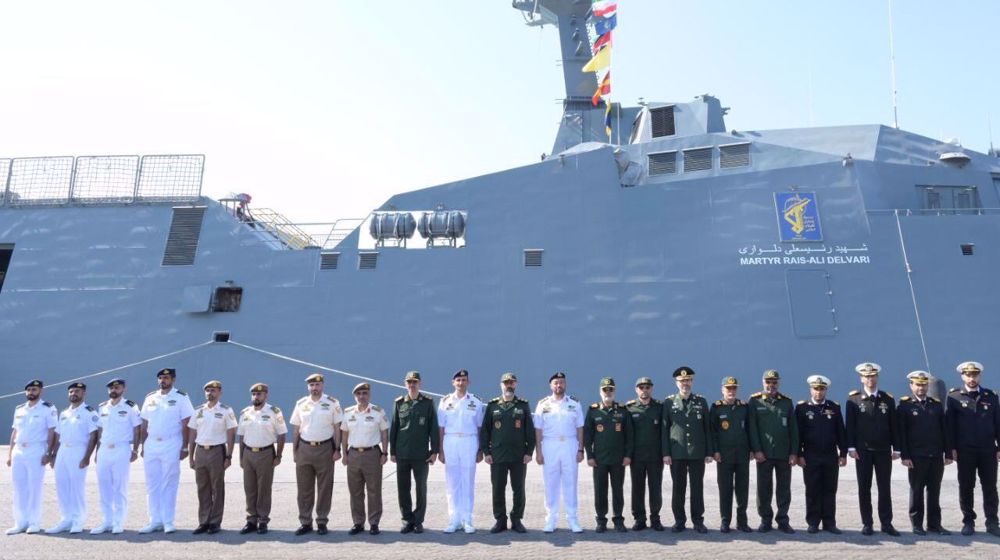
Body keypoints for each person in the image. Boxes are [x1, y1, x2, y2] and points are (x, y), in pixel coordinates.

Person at [946, 361, 1000, 537]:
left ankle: (992, 522)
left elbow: (998, 424)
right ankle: (968, 521)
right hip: (965, 451)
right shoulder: (954, 397)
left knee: (990, 487)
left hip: (988, 450)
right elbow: (950, 427)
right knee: (966, 486)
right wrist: (951, 449)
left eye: (974, 375)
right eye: (968, 375)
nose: (971, 378)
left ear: (980, 376)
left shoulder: (991, 396)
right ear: (962, 376)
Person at [846, 362, 900, 536]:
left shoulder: (888, 399)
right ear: (862, 378)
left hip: (883, 451)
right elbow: (851, 426)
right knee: (864, 487)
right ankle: (867, 523)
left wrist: (897, 449)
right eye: (867, 376)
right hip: (863, 452)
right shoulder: (853, 400)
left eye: (873, 376)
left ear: (877, 377)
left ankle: (886, 523)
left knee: (884, 487)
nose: (870, 379)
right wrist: (851, 448)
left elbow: (894, 426)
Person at [896, 370, 952, 536]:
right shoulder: (905, 406)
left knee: (934, 491)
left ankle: (934, 524)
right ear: (911, 386)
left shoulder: (935, 405)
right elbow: (902, 433)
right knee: (917, 490)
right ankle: (917, 524)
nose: (921, 388)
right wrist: (905, 456)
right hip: (916, 456)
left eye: (924, 384)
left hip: (935, 455)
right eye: (918, 384)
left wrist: (947, 453)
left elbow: (944, 431)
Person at [139, 368, 194, 534]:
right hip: (152, 443)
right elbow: (144, 423)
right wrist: (143, 445)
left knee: (169, 482)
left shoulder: (181, 397)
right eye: (161, 378)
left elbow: (186, 423)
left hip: (171, 442)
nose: (163, 380)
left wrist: (185, 446)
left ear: (173, 380)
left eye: (167, 378)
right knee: (152, 483)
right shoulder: (150, 398)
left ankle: (168, 521)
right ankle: (154, 520)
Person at [479, 372, 535, 534]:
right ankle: (500, 520)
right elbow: (485, 431)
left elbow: (529, 431)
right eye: (506, 383)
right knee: (498, 488)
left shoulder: (523, 405)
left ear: (515, 384)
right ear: (501, 385)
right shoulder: (493, 405)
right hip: (497, 455)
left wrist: (529, 451)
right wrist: (486, 452)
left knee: (518, 488)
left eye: (512, 382)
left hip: (518, 455)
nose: (509, 385)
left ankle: (516, 519)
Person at [290, 373, 343, 536]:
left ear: (322, 385)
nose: (314, 388)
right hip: (305, 448)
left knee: (324, 487)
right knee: (304, 488)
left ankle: (321, 521)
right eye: (311, 385)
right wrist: (295, 450)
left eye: (317, 385)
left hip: (325, 448)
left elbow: (337, 428)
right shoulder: (301, 403)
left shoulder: (332, 403)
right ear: (308, 387)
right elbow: (296, 429)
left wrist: (337, 449)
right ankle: (305, 522)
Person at [663, 366, 713, 534]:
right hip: (677, 453)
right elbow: (665, 429)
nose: (685, 383)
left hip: (697, 453)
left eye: (688, 380)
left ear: (692, 382)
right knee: (678, 488)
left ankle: (698, 521)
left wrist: (708, 452)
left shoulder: (701, 401)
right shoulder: (669, 402)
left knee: (697, 488)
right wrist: (666, 453)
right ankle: (679, 521)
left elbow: (708, 428)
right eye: (682, 381)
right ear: (676, 383)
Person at [534, 371, 585, 533]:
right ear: (551, 385)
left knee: (570, 482)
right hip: (550, 445)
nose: (559, 385)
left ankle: (572, 519)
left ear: (565, 384)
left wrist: (580, 449)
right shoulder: (543, 404)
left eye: (561, 382)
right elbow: (538, 430)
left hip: (570, 444)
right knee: (551, 483)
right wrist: (539, 451)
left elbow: (580, 428)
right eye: (556, 383)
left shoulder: (574, 404)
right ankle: (551, 519)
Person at [747, 369, 798, 533]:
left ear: (779, 383)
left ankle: (783, 520)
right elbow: (752, 428)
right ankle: (766, 519)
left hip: (783, 453)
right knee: (764, 489)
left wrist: (794, 452)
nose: (771, 385)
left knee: (784, 488)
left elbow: (793, 430)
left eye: (774, 382)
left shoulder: (787, 402)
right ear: (763, 383)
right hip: (764, 454)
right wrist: (757, 450)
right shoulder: (755, 402)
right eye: (768, 382)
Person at [795, 374, 847, 534]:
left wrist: (843, 453)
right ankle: (813, 522)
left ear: (826, 390)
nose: (819, 392)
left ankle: (829, 522)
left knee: (830, 489)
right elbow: (798, 434)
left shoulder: (834, 407)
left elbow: (841, 432)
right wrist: (799, 454)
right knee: (812, 489)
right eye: (816, 389)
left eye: (822, 389)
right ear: (811, 389)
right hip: (810, 456)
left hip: (830, 456)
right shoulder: (802, 408)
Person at [389, 371, 439, 534]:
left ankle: (418, 521)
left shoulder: (427, 403)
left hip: (421, 454)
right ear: (405, 384)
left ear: (420, 384)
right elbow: (394, 427)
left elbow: (433, 428)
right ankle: (407, 520)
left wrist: (434, 451)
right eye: (409, 382)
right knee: (403, 488)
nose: (412, 385)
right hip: (402, 453)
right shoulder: (399, 403)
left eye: (415, 382)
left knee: (420, 489)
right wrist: (392, 451)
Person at [46, 382, 99, 534]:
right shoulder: (64, 413)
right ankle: (66, 519)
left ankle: (78, 520)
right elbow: (57, 435)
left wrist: (87, 456)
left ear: (84, 393)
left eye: (77, 391)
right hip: (63, 450)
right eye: (71, 392)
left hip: (78, 450)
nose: (73, 394)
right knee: (62, 485)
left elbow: (93, 435)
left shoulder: (89, 412)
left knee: (76, 487)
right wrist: (53, 454)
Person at [91, 378, 142, 535]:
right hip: (104, 450)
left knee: (119, 486)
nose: (114, 390)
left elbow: (137, 429)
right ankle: (107, 521)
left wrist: (135, 450)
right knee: (104, 486)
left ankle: (118, 521)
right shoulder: (102, 407)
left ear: (123, 389)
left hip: (121, 448)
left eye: (117, 387)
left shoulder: (130, 407)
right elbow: (100, 431)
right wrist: (97, 452)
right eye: (111, 388)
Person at [6, 379, 57, 535]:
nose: (31, 393)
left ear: (41, 391)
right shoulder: (20, 409)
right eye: (28, 390)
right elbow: (15, 432)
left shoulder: (48, 408)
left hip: (36, 450)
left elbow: (52, 432)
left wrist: (48, 453)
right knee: (19, 488)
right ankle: (20, 522)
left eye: (34, 390)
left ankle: (34, 522)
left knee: (34, 487)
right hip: (19, 451)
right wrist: (10, 454)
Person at [438, 369, 486, 533]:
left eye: (463, 380)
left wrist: (480, 448)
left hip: (469, 440)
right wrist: (440, 450)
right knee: (452, 482)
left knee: (468, 480)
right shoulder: (445, 401)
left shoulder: (476, 401)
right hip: (450, 441)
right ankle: (454, 519)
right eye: (458, 380)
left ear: (468, 382)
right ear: (453, 383)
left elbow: (480, 427)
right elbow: (441, 427)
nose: (461, 383)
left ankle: (467, 519)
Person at [187, 380, 237, 534]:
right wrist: (191, 456)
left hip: (217, 451)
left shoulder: (226, 410)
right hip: (200, 451)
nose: (210, 393)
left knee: (217, 487)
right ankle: (203, 521)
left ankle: (215, 522)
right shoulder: (198, 411)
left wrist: (229, 455)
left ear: (220, 392)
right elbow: (192, 433)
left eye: (213, 390)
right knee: (202, 487)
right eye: (208, 390)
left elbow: (231, 433)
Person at [584, 377, 633, 533]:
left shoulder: (623, 410)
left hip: (619, 459)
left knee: (618, 490)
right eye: (605, 390)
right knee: (600, 490)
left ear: (614, 391)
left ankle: (618, 520)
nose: (608, 392)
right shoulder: (593, 411)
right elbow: (587, 436)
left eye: (611, 389)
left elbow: (629, 436)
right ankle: (601, 520)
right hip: (599, 459)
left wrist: (627, 455)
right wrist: (590, 456)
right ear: (600, 391)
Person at [237, 382, 286, 535]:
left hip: (266, 453)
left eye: (259, 394)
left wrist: (279, 455)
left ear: (266, 395)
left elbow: (282, 434)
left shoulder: (274, 412)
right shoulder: (245, 412)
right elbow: (242, 436)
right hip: (248, 453)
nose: (256, 396)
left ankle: (263, 520)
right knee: (249, 488)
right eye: (254, 394)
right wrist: (241, 457)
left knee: (264, 489)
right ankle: (251, 520)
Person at [341, 382, 389, 536]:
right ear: (355, 396)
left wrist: (385, 453)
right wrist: (344, 453)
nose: (362, 397)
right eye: (359, 394)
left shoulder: (378, 411)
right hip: (353, 454)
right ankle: (358, 522)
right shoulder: (348, 412)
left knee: (374, 490)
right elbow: (344, 434)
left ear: (369, 395)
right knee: (355, 491)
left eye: (365, 394)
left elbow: (384, 433)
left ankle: (374, 523)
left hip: (372, 454)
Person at [709, 376, 752, 533]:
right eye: (728, 388)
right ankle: (725, 521)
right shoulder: (716, 408)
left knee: (742, 490)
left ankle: (742, 522)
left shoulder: (744, 407)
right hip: (724, 456)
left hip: (742, 454)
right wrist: (715, 451)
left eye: (734, 388)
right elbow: (712, 431)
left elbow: (750, 429)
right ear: (722, 390)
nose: (731, 391)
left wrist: (752, 450)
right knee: (725, 489)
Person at [625, 376, 665, 531]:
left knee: (655, 488)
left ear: (651, 389)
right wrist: (628, 454)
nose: (644, 390)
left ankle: (655, 518)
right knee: (637, 488)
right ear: (636, 390)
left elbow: (663, 431)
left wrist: (664, 453)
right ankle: (639, 518)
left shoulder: (659, 407)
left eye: (647, 387)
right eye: (641, 387)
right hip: (637, 456)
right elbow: (627, 434)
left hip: (655, 456)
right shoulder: (630, 408)